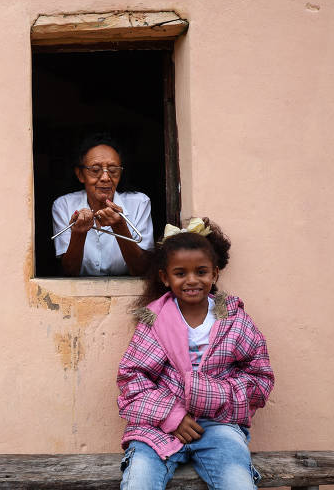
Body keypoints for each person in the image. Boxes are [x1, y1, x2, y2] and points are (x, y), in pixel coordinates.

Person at [116, 217, 274, 490]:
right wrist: (171, 416)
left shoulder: (235, 321)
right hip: (158, 427)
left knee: (237, 482)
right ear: (165, 277)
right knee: (139, 480)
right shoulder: (154, 321)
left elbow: (260, 379)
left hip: (219, 426)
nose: (192, 280)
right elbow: (131, 381)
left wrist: (211, 395)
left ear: (214, 274)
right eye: (180, 273)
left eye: (201, 272)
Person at [51, 134, 153, 276]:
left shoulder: (139, 203)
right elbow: (69, 271)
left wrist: (120, 227)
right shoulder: (64, 205)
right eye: (95, 170)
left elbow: (142, 269)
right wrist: (78, 234)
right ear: (80, 174)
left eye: (113, 170)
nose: (105, 178)